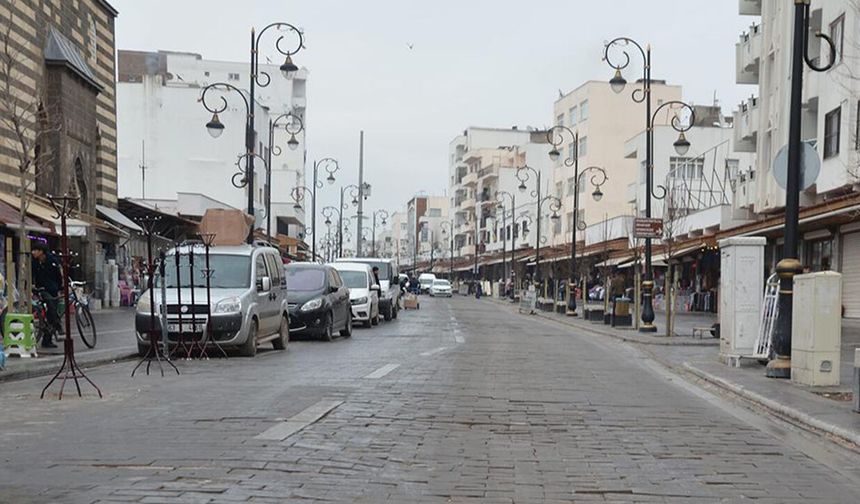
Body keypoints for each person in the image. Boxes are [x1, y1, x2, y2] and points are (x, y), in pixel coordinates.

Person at [31, 242, 63, 348]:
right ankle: (58, 325)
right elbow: (31, 274)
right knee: (50, 304)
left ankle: (47, 340)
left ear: (41, 252)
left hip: (53, 288)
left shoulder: (52, 261)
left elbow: (58, 275)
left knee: (51, 314)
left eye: (35, 250)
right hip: (41, 289)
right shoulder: (34, 262)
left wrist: (60, 287)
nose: (33, 252)